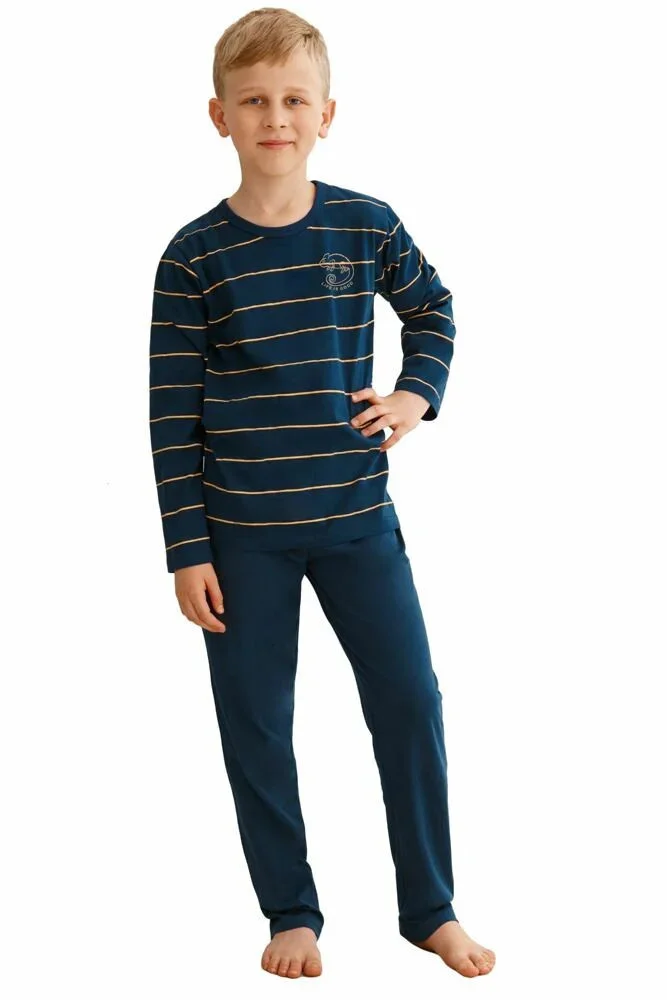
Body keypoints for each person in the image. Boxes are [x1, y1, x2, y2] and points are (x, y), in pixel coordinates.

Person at [148, 5, 495, 981]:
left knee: (410, 701)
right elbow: (170, 416)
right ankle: (291, 912)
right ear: (218, 115)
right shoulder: (191, 257)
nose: (275, 118)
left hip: (357, 522)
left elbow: (432, 307)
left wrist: (416, 394)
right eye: (254, 100)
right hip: (239, 537)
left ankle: (430, 908)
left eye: (294, 100)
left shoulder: (365, 224)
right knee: (257, 724)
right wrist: (186, 549)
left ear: (327, 114)